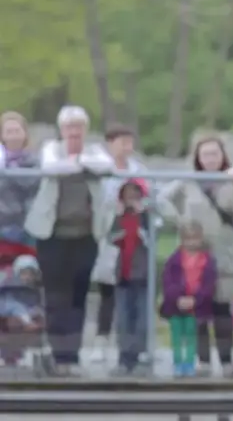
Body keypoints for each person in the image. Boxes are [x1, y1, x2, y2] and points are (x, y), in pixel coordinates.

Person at [24, 105, 113, 377]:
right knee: (55, 296)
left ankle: (72, 354)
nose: (74, 133)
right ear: (61, 130)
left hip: (85, 236)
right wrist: (79, 165)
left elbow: (105, 165)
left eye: (78, 127)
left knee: (78, 295)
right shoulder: (51, 148)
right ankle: (57, 353)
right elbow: (51, 166)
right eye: (69, 127)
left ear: (85, 130)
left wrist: (79, 163)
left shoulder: (95, 150)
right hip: (52, 237)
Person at [158, 136, 233, 376]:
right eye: (205, 154)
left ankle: (227, 360)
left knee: (222, 309)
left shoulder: (230, 181)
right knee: (198, 309)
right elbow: (161, 199)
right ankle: (203, 361)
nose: (210, 158)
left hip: (224, 255)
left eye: (215, 153)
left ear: (223, 155)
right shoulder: (188, 181)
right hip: (194, 257)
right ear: (198, 157)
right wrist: (180, 222)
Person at [90, 124, 147, 365]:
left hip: (134, 239)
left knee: (133, 293)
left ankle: (135, 344)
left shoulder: (139, 170)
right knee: (107, 292)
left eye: (129, 141)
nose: (127, 147)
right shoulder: (101, 168)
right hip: (109, 236)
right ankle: (101, 340)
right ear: (110, 143)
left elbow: (151, 195)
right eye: (121, 141)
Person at [105, 178, 151, 376]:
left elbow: (152, 239)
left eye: (135, 195)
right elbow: (111, 237)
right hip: (122, 275)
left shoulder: (147, 217)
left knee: (142, 319)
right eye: (127, 195)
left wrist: (142, 223)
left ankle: (139, 355)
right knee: (123, 319)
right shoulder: (119, 217)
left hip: (142, 276)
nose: (131, 199)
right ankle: (124, 357)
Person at [160, 221, 218, 378]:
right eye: (188, 239)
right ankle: (178, 362)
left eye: (195, 238)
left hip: (196, 306)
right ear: (182, 240)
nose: (191, 242)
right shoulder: (174, 260)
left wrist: (196, 299)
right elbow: (168, 281)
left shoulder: (207, 260)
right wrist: (178, 298)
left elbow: (209, 284)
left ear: (201, 239)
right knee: (177, 335)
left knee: (192, 336)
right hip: (175, 305)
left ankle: (189, 363)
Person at [0, 111, 39, 259]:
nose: (14, 135)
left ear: (24, 133)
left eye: (17, 131)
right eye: (9, 131)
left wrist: (10, 170)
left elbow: (32, 184)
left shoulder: (35, 160)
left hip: (27, 225)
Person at [0, 254, 44, 367]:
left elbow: (35, 304)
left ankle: (15, 355)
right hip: (6, 311)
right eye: (24, 273)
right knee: (16, 307)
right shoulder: (8, 282)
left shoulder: (34, 289)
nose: (27, 277)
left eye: (31, 274)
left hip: (22, 319)